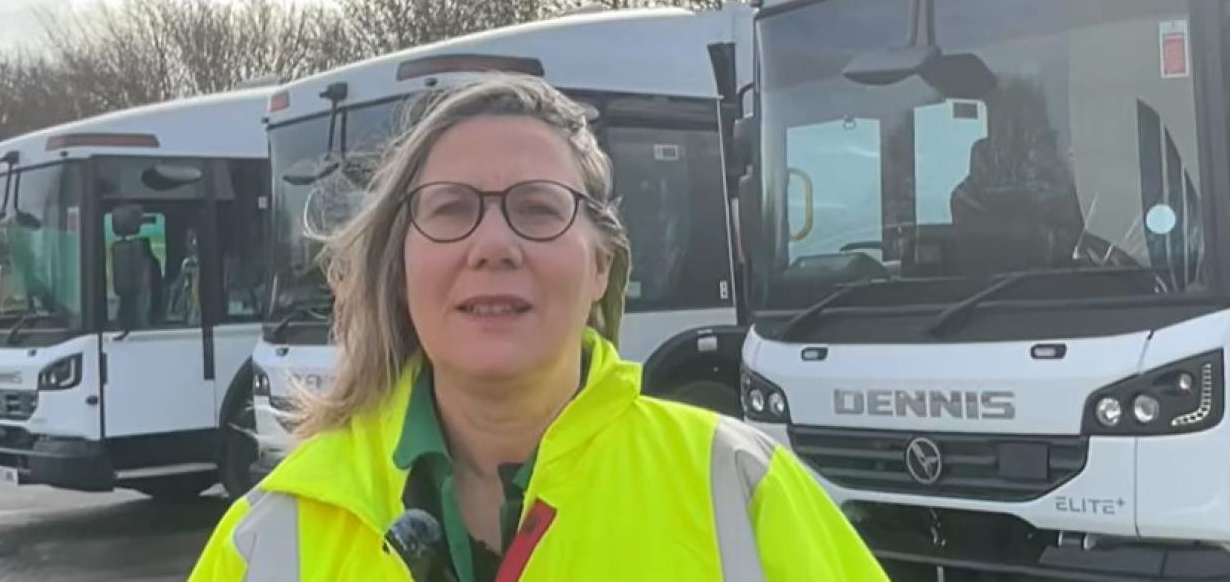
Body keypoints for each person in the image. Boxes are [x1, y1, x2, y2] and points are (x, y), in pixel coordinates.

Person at [188, 75, 890, 582]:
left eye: (537, 208)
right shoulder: (272, 536)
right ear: (400, 267)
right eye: (451, 209)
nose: (493, 245)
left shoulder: (739, 487)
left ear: (600, 267)